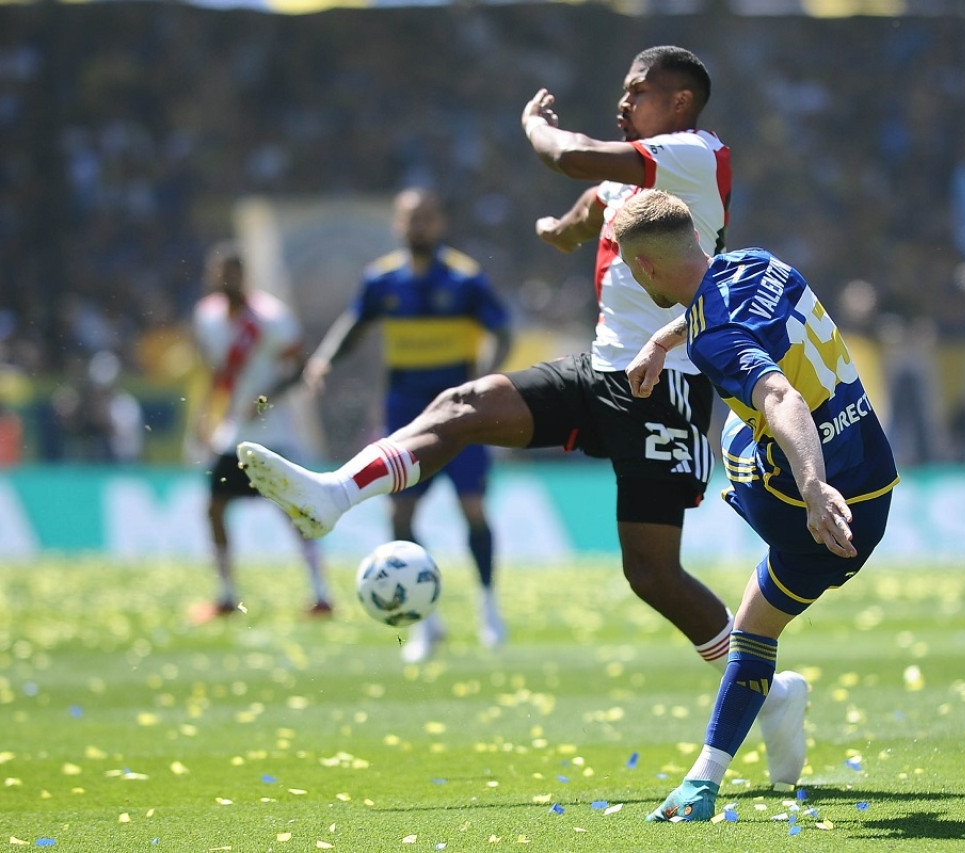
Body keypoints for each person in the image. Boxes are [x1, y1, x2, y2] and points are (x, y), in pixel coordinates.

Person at [235, 45, 809, 789]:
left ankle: (766, 695)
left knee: (652, 573)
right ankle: (334, 495)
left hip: (666, 382)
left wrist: (538, 130)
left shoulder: (694, 157)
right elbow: (586, 209)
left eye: (638, 91)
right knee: (463, 405)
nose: (623, 100)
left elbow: (572, 159)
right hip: (600, 367)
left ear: (679, 103)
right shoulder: (634, 169)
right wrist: (561, 229)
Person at [607, 190, 898, 822]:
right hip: (875, 468)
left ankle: (702, 782)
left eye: (632, 268)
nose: (634, 276)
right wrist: (661, 341)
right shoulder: (754, 263)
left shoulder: (714, 339)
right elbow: (717, 316)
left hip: (820, 509)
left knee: (751, 626)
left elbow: (780, 396)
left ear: (649, 267)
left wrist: (814, 488)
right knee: (758, 607)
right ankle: (777, 715)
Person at [303, 188, 513, 661]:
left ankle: (488, 606)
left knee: (473, 508)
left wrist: (483, 379)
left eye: (426, 218)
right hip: (404, 412)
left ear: (439, 223)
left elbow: (503, 330)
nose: (418, 227)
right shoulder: (381, 280)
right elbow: (354, 325)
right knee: (400, 516)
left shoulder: (464, 278)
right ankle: (426, 623)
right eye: (410, 219)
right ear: (398, 225)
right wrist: (323, 360)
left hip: (460, 412)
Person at [187, 242, 333, 623]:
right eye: (218, 273)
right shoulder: (207, 318)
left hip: (275, 435)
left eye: (231, 272)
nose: (224, 280)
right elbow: (215, 374)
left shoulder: (271, 319)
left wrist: (265, 402)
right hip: (233, 435)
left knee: (295, 514)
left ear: (243, 275)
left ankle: (321, 594)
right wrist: (203, 420)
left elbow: (300, 372)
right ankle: (226, 595)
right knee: (213, 509)